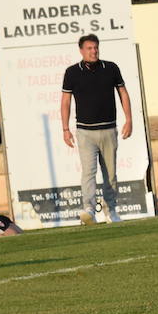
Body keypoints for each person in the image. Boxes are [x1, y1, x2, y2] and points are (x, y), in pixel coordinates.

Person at [59, 34, 133, 225]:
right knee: (88, 172)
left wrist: (129, 119)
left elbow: (123, 93)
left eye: (96, 48)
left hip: (109, 129)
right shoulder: (72, 72)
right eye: (89, 48)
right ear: (81, 50)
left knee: (110, 173)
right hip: (85, 132)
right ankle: (89, 210)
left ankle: (112, 211)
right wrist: (65, 129)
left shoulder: (111, 68)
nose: (93, 51)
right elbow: (65, 102)